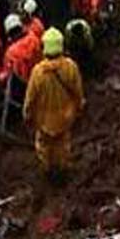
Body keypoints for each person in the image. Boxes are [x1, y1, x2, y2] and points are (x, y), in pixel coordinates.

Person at [24, 27, 84, 180]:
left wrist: (27, 115)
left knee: (43, 145)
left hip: (43, 119)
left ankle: (48, 170)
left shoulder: (38, 72)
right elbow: (78, 91)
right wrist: (79, 107)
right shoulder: (71, 66)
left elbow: (30, 98)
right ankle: (62, 169)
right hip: (65, 117)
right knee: (63, 145)